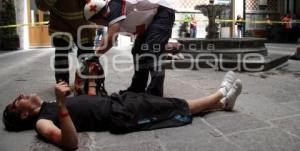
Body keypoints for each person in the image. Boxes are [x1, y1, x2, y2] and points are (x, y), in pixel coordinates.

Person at [3, 71, 242, 150]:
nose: (21, 95)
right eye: (17, 101)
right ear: (24, 114)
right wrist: (63, 104)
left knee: (166, 106)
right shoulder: (41, 122)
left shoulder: (49, 106)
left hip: (118, 100)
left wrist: (90, 83)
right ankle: (220, 93)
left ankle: (222, 105)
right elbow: (70, 143)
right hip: (120, 114)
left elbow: (86, 108)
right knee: (173, 106)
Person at [84, 0, 176, 96]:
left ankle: (155, 93)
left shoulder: (114, 6)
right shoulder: (113, 14)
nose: (97, 24)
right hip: (150, 20)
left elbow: (110, 38)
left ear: (100, 14)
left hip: (162, 12)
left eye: (96, 21)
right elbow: (111, 39)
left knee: (153, 52)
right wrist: (97, 54)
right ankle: (137, 88)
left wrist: (95, 55)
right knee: (138, 51)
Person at [35, 0, 106, 87]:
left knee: (87, 57)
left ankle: (88, 84)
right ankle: (63, 86)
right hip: (61, 26)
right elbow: (41, 4)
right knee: (61, 58)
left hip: (84, 27)